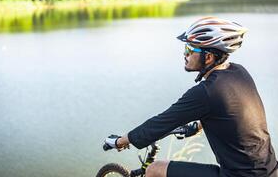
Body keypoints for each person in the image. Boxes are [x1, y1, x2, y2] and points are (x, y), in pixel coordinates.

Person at [104, 17, 278, 177]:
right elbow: (232, 108)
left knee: (154, 169)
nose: (185, 54)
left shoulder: (206, 92)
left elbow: (160, 123)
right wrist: (198, 125)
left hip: (240, 176)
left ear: (208, 57)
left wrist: (119, 141)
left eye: (189, 49)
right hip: (269, 169)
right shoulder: (239, 72)